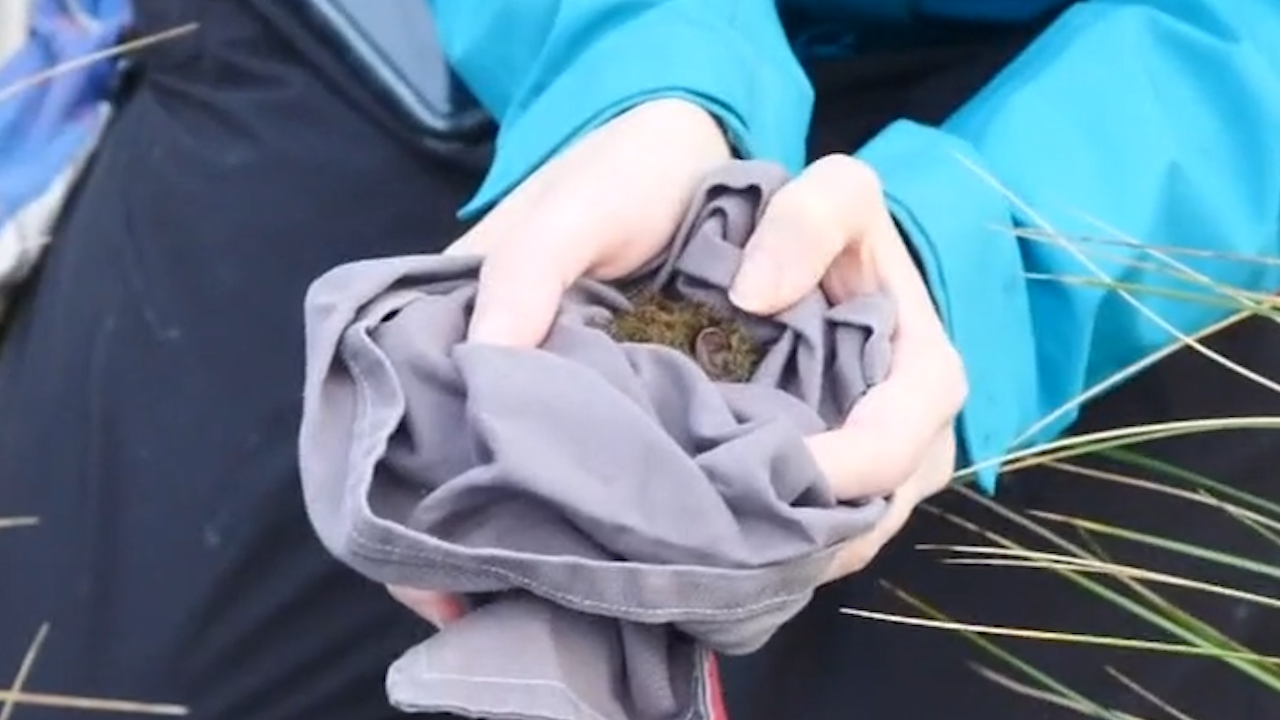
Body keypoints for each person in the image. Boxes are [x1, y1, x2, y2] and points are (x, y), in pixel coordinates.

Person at [0, 1, 1277, 719]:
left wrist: (978, 260)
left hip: (1137, 142)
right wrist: (641, 76)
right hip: (452, 49)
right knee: (96, 681)